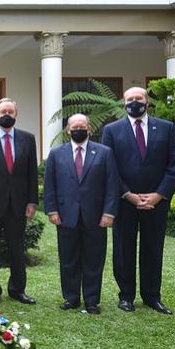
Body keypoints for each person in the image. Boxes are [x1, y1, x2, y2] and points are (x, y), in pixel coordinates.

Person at [102, 86, 175, 315]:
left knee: (153, 248)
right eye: (129, 99)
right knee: (123, 248)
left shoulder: (166, 128)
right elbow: (109, 167)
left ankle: (152, 297)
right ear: (123, 103)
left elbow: (174, 164)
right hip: (125, 201)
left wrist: (158, 195)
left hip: (156, 202)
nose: (134, 102)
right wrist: (128, 194)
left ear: (147, 102)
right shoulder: (112, 130)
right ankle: (126, 296)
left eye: (139, 98)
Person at [43, 114, 120, 314]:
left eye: (82, 126)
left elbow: (112, 186)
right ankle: (71, 297)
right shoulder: (56, 154)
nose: (79, 129)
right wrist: (52, 210)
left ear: (90, 129)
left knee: (94, 260)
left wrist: (109, 213)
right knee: (68, 259)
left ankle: (92, 300)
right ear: (68, 130)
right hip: (65, 216)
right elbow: (49, 185)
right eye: (74, 126)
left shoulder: (104, 153)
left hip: (95, 217)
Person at [0, 97, 39, 305]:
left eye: (10, 112)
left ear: (16, 114)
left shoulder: (28, 139)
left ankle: (17, 289)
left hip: (17, 205)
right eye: (3, 112)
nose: (6, 115)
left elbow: (31, 173)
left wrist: (32, 201)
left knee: (17, 250)